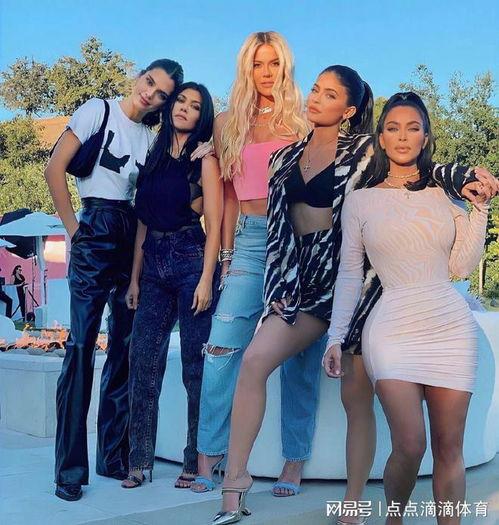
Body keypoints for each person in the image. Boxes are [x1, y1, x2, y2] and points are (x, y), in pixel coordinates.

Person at [211, 66, 498, 525]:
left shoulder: (365, 149)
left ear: (348, 110)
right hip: (303, 284)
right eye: (315, 90)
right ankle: (234, 485)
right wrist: (279, 287)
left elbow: (420, 164)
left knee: (356, 396)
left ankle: (354, 503)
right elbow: (279, 232)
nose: (315, 98)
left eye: (329, 94)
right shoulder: (282, 157)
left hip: (361, 284)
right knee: (254, 360)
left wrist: (463, 175)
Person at [324, 92, 491, 525]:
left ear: (425, 136)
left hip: (449, 327)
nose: (402, 136)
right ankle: (394, 518)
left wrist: (480, 210)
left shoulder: (446, 196)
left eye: (413, 128)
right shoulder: (361, 200)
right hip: (392, 328)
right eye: (393, 128)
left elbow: (460, 266)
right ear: (381, 138)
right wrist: (336, 337)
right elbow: (349, 274)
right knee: (411, 444)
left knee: (449, 448)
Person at [45, 59, 185, 502]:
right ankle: (69, 469)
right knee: (80, 347)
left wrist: (138, 270)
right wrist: (74, 232)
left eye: (162, 94)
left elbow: (147, 202)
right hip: (94, 225)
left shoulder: (152, 140)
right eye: (150, 82)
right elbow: (54, 168)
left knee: (124, 348)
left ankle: (112, 455)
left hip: (131, 235)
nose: (151, 94)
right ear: (139, 76)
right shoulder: (97, 110)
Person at [193, 31, 326, 498]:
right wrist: (226, 256)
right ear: (245, 69)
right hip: (249, 239)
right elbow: (229, 197)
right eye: (257, 64)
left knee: (299, 353)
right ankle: (209, 456)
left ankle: (294, 460)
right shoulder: (227, 123)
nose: (266, 73)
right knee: (222, 346)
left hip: (298, 240)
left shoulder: (303, 121)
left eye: (274, 64)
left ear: (285, 67)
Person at [121, 82, 223, 490]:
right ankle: (139, 461)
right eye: (180, 100)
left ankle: (193, 460)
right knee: (143, 361)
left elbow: (214, 222)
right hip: (152, 265)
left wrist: (206, 278)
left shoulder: (204, 159)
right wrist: (134, 278)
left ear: (202, 116)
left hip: (190, 258)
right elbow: (143, 222)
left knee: (195, 367)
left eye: (195, 106)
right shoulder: (154, 155)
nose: (184, 109)